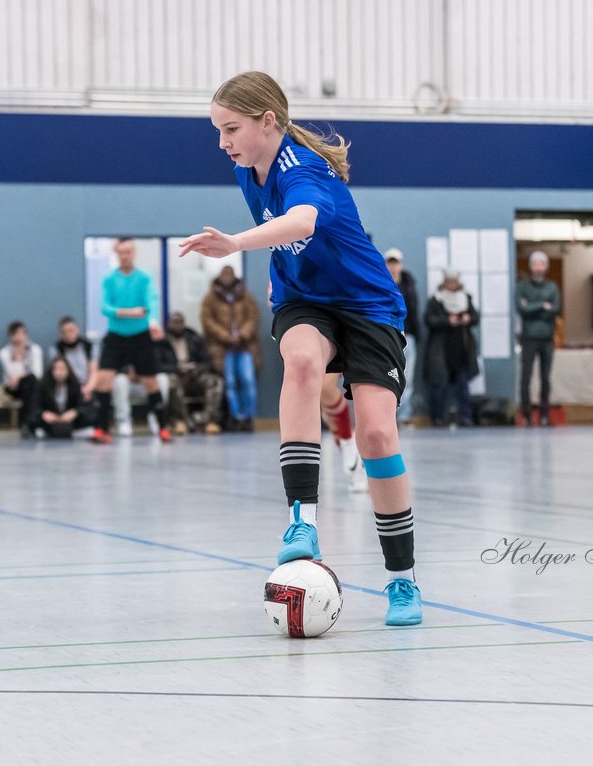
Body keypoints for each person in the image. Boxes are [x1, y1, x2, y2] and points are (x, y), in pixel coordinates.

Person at [182, 71, 422, 626]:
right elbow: (288, 236)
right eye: (218, 131)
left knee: (378, 433)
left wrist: (236, 245)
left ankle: (402, 582)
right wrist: (278, 270)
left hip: (367, 305)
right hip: (304, 300)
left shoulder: (304, 167)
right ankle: (302, 520)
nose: (223, 143)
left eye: (231, 129)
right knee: (304, 361)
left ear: (269, 122)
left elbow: (303, 219)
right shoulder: (250, 169)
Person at [90, 238, 171, 444]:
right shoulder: (109, 279)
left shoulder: (144, 278)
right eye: (121, 252)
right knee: (103, 380)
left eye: (128, 251)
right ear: (117, 254)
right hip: (116, 337)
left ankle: (162, 427)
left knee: (151, 383)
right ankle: (101, 428)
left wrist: (152, 321)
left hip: (140, 336)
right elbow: (105, 307)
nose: (125, 255)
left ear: (133, 253)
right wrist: (129, 312)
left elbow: (151, 301)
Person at [201, 266, 261, 432]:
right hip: (223, 349)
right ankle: (235, 417)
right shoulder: (210, 299)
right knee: (230, 382)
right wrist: (226, 336)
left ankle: (248, 417)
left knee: (247, 381)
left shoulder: (246, 297)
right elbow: (208, 321)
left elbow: (253, 318)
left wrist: (242, 334)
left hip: (244, 347)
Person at [423, 270, 480, 428]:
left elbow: (476, 318)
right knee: (439, 385)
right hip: (441, 349)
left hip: (461, 349)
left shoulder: (465, 298)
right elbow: (429, 320)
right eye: (449, 281)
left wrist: (468, 319)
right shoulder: (436, 299)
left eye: (454, 281)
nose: (451, 284)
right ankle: (438, 417)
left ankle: (465, 416)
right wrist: (447, 321)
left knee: (463, 384)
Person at [160, 312, 224, 434]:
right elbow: (158, 365)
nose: (177, 326)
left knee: (215, 381)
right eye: (174, 323)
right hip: (176, 375)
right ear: (168, 324)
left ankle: (207, 420)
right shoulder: (163, 341)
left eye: (180, 322)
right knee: (171, 381)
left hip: (195, 375)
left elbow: (207, 361)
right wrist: (176, 368)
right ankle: (181, 421)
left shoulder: (194, 338)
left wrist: (197, 368)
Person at [516, 250, 560, 426]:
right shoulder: (523, 286)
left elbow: (556, 309)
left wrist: (532, 307)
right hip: (528, 338)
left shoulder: (552, 287)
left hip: (547, 338)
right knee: (526, 376)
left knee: (545, 377)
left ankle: (544, 415)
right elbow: (522, 309)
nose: (539, 267)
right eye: (536, 263)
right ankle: (526, 414)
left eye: (542, 263)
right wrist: (543, 305)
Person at [384, 248, 421, 425]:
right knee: (389, 374)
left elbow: (414, 311)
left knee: (407, 376)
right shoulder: (380, 282)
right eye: (389, 263)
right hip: (388, 334)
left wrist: (416, 333)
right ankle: (389, 413)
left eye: (395, 263)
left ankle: (404, 415)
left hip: (408, 335)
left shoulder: (409, 284)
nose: (393, 267)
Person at [0, 321, 43, 433]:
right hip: (12, 388)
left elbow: (37, 374)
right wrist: (17, 357)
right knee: (27, 385)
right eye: (16, 334)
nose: (19, 338)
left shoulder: (35, 350)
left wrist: (20, 374)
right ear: (10, 337)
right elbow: (12, 378)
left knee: (30, 383)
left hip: (31, 385)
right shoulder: (4, 353)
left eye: (22, 334)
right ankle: (31, 423)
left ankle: (26, 423)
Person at [35, 357, 89, 439]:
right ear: (52, 370)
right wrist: (43, 414)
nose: (59, 372)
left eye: (62, 369)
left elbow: (82, 406)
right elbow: (35, 406)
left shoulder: (75, 385)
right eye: (56, 369)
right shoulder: (43, 385)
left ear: (68, 370)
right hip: (50, 422)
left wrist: (75, 412)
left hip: (70, 422)